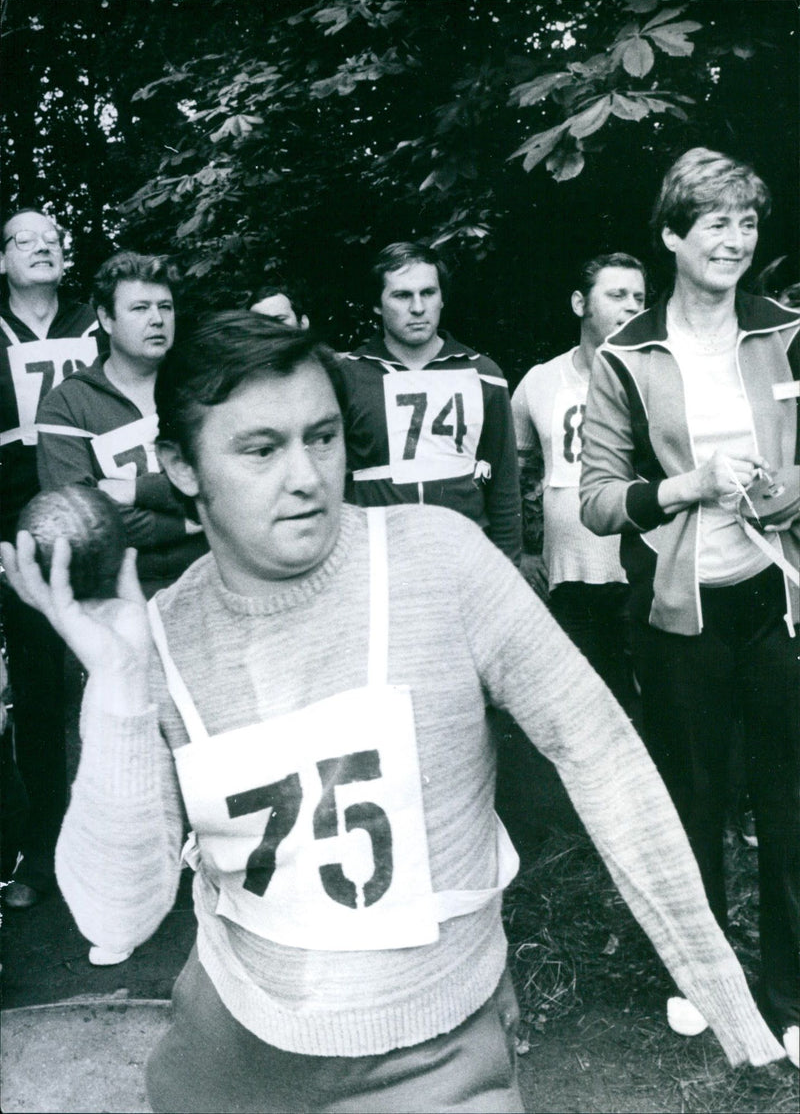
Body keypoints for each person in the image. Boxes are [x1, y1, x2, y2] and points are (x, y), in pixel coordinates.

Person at [2, 311, 787, 1112]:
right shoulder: (164, 638)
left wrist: (720, 989)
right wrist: (122, 688)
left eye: (324, 436)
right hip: (233, 1049)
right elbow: (117, 911)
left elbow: (604, 756)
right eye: (261, 448)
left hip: (438, 1058)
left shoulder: (443, 559)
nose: (307, 475)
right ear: (182, 464)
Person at [580, 148, 799, 1066]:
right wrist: (691, 486)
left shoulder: (789, 329)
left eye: (747, 222)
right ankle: (700, 980)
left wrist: (783, 493)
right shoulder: (626, 356)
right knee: (694, 802)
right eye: (716, 222)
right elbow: (596, 499)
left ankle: (790, 994)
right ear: (673, 234)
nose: (736, 240)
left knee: (789, 803)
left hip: (776, 603)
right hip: (680, 616)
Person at [0, 207, 102, 910]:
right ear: (1, 257)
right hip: (14, 517)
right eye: (24, 240)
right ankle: (45, 843)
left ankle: (127, 834)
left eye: (53, 239)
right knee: (37, 683)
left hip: (97, 509)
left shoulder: (98, 324)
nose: (42, 247)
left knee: (113, 670)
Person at [511, 253, 646, 713]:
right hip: (567, 579)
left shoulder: (656, 379)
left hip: (644, 574)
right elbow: (518, 472)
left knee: (655, 712)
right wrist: (526, 551)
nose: (630, 307)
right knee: (583, 712)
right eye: (616, 295)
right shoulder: (539, 381)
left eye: (639, 298)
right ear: (578, 303)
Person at [36, 251, 207, 601]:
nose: (157, 319)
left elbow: (228, 482)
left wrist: (132, 492)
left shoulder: (206, 385)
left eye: (166, 307)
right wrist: (183, 521)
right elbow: (78, 521)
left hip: (211, 581)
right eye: (140, 308)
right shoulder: (67, 405)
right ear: (106, 318)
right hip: (119, 599)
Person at [341, 242, 522, 565]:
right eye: (401, 295)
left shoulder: (484, 375)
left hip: (465, 562)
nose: (417, 307)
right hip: (377, 563)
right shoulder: (347, 378)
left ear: (442, 298)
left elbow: (504, 486)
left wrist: (508, 569)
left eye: (428, 293)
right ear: (377, 305)